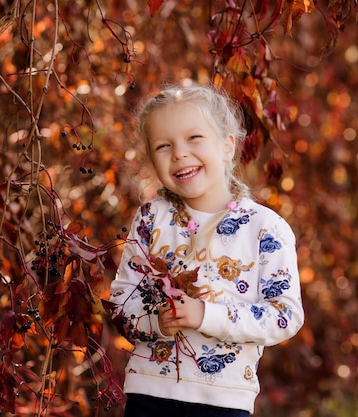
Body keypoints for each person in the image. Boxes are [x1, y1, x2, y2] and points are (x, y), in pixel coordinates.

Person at [108, 84, 304, 417]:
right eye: (163, 145)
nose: (180, 153)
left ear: (228, 146)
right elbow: (120, 304)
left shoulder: (263, 228)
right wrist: (156, 323)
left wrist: (205, 315)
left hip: (223, 402)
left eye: (194, 138)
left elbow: (284, 315)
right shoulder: (151, 219)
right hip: (149, 395)